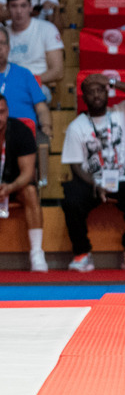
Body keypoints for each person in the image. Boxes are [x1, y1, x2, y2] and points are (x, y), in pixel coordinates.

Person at [61, 73, 125, 273]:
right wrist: (95, 184)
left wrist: (112, 82)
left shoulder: (121, 114)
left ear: (107, 93)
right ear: (83, 98)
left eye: (100, 90)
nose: (96, 95)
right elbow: (75, 165)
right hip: (91, 182)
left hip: (122, 179)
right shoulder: (76, 127)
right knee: (71, 201)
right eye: (90, 92)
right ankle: (82, 252)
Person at [0, 94, 45, 272]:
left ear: (8, 112)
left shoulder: (20, 131)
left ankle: (36, 252)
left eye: (1, 112)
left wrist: (9, 188)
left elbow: (28, 173)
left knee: (31, 192)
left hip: (15, 184)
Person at [6, 0, 63, 90]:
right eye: (14, 6)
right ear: (8, 8)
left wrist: (29, 81)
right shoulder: (2, 34)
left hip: (38, 84)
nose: (19, 11)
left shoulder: (47, 29)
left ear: (30, 7)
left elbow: (57, 71)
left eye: (23, 6)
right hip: (7, 85)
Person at [0, 25, 51, 133]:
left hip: (24, 138)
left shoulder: (24, 74)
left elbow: (41, 108)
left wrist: (46, 127)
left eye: (2, 43)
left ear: (8, 48)